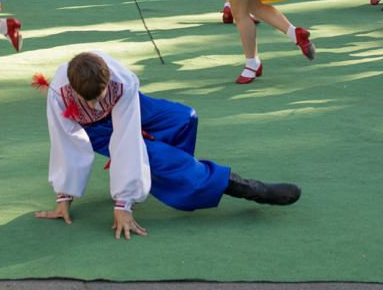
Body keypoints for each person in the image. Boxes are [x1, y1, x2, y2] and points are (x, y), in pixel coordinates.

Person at [33, 52, 301, 239]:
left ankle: (166, 173)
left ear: (108, 82)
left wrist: (127, 188)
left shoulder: (122, 82)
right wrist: (66, 196)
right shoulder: (59, 93)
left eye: (100, 96)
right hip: (95, 130)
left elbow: (127, 137)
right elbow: (66, 144)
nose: (95, 105)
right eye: (87, 101)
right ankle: (247, 188)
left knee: (184, 118)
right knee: (162, 158)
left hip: (131, 106)